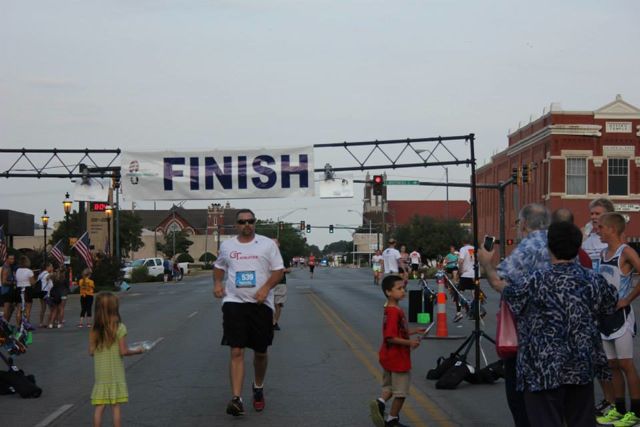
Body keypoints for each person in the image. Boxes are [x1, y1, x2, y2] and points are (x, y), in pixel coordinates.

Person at [487, 221, 617, 426]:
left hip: (542, 370)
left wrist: (486, 263)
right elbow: (610, 305)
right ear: (578, 247)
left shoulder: (535, 280)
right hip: (580, 366)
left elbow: (501, 286)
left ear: (549, 246)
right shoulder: (593, 280)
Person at [478, 203, 552, 427]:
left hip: (526, 331)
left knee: (519, 395)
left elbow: (499, 281)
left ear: (525, 223)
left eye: (519, 223)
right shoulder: (557, 243)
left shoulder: (528, 246)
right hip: (556, 332)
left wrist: (486, 263)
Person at [213, 209, 284, 416]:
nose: (247, 225)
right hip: (234, 302)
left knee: (260, 352)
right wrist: (217, 282)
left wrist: (266, 288)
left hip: (261, 304)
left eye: (250, 221)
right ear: (236, 225)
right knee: (236, 350)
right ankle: (236, 399)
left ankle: (258, 387)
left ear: (255, 223)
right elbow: (219, 266)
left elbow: (278, 271)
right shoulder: (227, 246)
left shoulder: (267, 244)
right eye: (242, 222)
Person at [594, 212, 640, 426]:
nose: (597, 230)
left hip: (621, 317)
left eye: (601, 227)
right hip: (604, 317)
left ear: (612, 229)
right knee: (611, 364)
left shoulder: (626, 251)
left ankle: (636, 413)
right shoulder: (602, 253)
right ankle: (619, 409)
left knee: (626, 364)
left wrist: (628, 299)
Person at [369, 275, 425, 427]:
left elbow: (398, 331)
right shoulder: (394, 312)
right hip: (398, 358)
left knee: (389, 388)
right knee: (401, 392)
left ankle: (380, 402)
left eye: (404, 288)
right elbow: (390, 337)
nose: (403, 291)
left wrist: (413, 331)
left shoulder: (390, 309)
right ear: (388, 292)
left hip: (388, 356)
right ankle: (392, 419)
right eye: (399, 288)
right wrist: (410, 342)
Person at [90, 292, 144, 427]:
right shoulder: (120, 327)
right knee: (115, 407)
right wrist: (137, 350)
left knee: (99, 407)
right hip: (115, 373)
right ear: (114, 308)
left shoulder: (95, 329)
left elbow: (91, 352)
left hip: (101, 374)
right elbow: (123, 351)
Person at [453, 239, 475, 322]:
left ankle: (459, 313)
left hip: (466, 274)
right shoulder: (474, 248)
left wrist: (460, 271)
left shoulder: (463, 249)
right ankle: (477, 311)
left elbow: (461, 261)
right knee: (474, 292)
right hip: (475, 274)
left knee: (458, 293)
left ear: (463, 242)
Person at [271, 238, 290, 331]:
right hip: (268, 284)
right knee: (268, 305)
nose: (274, 245)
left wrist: (282, 270)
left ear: (279, 244)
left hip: (281, 283)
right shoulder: (265, 254)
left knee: (278, 304)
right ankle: (269, 321)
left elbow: (289, 269)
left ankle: (275, 322)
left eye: (275, 243)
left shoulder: (284, 255)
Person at [14, 255, 35, 328]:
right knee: (27, 309)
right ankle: (26, 325)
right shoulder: (29, 271)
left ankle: (18, 325)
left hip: (19, 289)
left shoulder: (17, 270)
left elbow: (16, 280)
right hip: (27, 289)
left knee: (19, 309)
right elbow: (32, 282)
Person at [36, 263, 54, 328]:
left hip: (41, 292)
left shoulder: (40, 274)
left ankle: (41, 323)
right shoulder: (47, 274)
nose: (52, 268)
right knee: (52, 308)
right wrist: (51, 273)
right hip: (46, 293)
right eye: (51, 267)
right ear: (47, 267)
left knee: (43, 308)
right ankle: (48, 323)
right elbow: (47, 278)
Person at [1, 254, 16, 323]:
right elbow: (4, 281)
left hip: (9, 290)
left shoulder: (9, 267)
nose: (12, 260)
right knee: (7, 308)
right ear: (7, 259)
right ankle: (4, 324)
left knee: (12, 307)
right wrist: (13, 282)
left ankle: (6, 323)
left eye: (13, 259)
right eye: (11, 259)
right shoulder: (6, 268)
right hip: (6, 291)